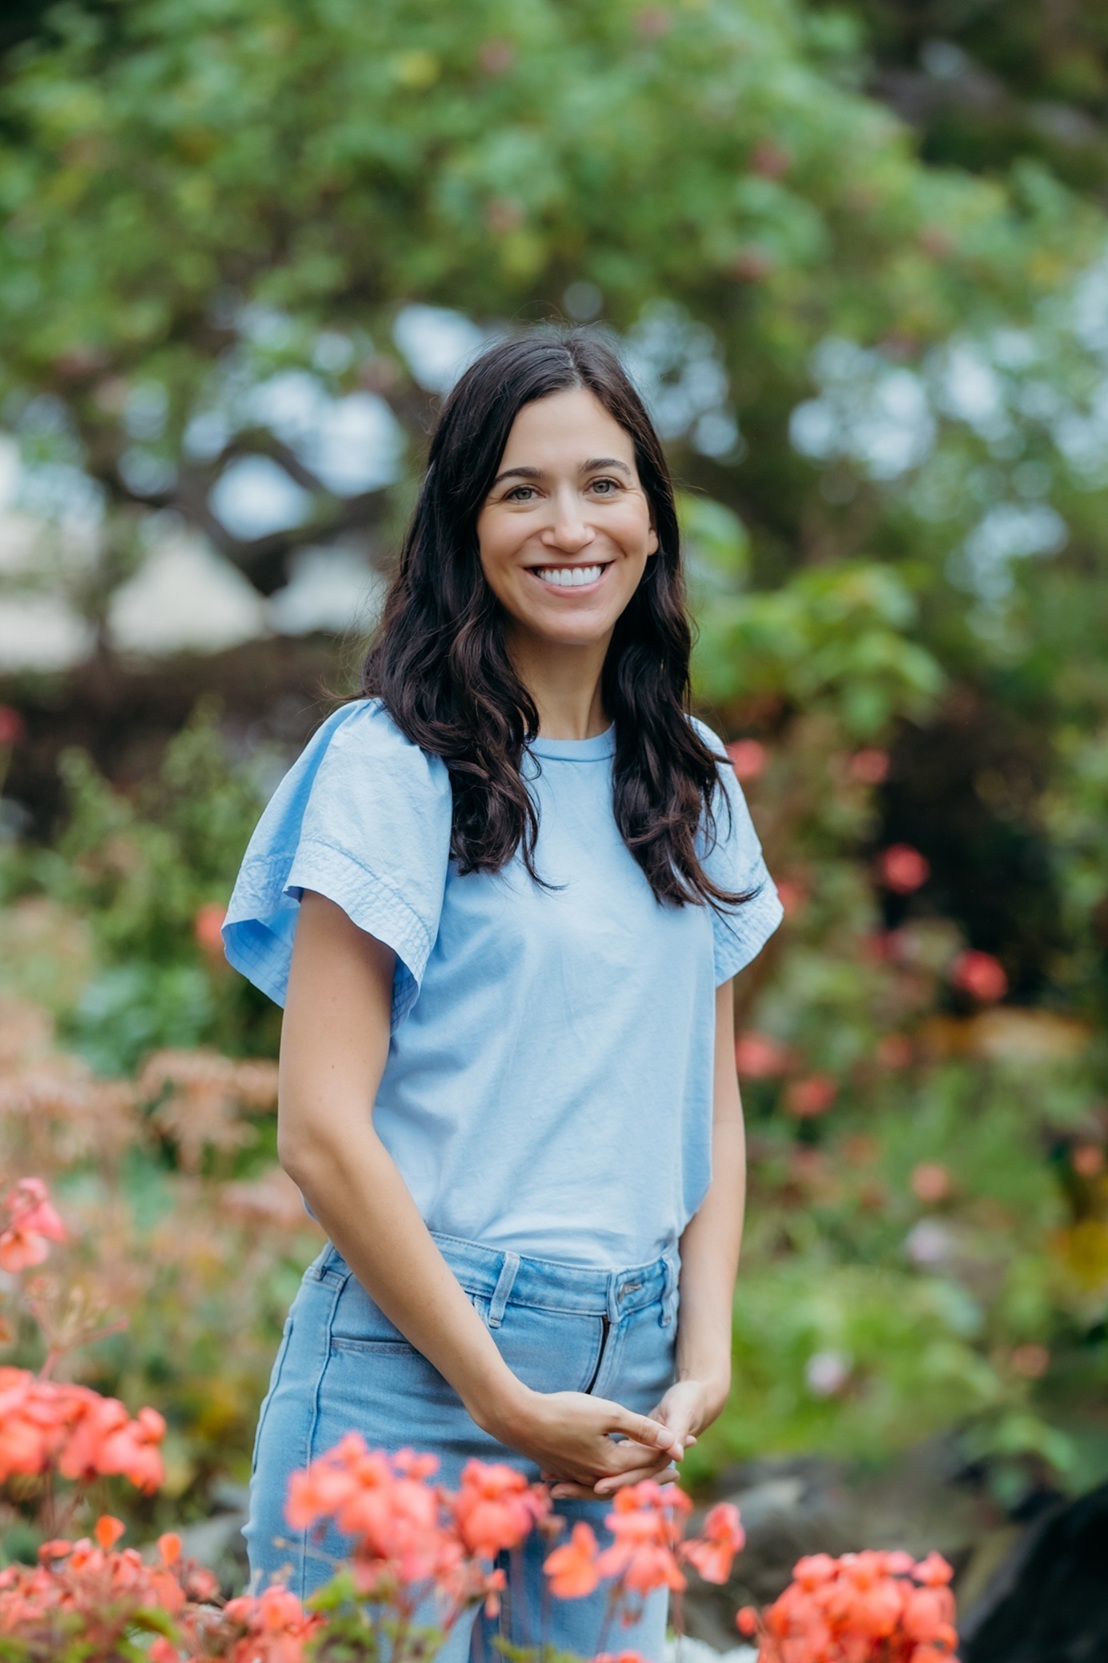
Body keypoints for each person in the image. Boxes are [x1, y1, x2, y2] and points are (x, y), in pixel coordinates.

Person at [222, 327, 783, 1661]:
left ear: (651, 516)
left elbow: (705, 1106)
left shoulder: (692, 780)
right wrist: (500, 1393)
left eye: (603, 484)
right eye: (520, 490)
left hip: (628, 1392)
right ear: (463, 523)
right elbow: (318, 1129)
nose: (567, 524)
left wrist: (702, 1359)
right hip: (405, 1381)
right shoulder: (390, 766)